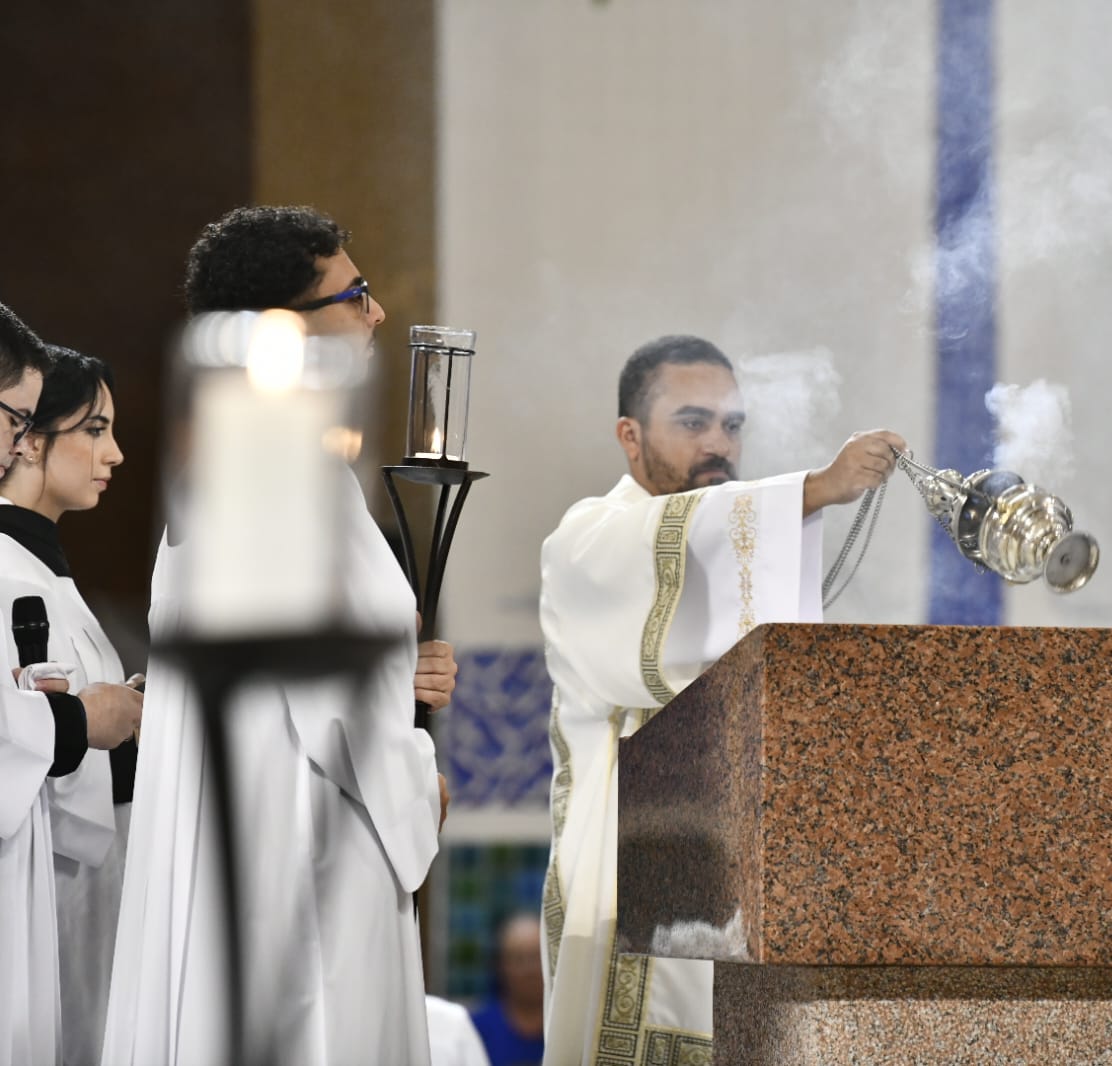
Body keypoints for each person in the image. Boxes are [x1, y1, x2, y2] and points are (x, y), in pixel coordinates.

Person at [101, 205, 458, 1064]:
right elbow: (328, 706)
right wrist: (419, 784)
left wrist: (396, 666)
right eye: (355, 295)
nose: (377, 314)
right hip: (297, 844)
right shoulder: (277, 471)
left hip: (271, 822)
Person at [539, 334, 902, 1063]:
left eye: (732, 424)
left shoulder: (742, 549)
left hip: (738, 891)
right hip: (622, 888)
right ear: (630, 436)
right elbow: (676, 548)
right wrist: (812, 489)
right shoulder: (585, 541)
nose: (718, 443)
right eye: (692, 422)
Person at [0, 307, 143, 1065]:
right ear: (29, 438)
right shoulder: (6, 573)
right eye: (94, 429)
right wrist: (98, 725)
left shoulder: (41, 570)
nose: (114, 453)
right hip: (38, 886)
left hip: (70, 891)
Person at [470, 912, 545, 1066]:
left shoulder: (571, 1032)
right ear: (501, 965)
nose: (530, 970)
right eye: (519, 959)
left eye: (537, 957)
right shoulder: (475, 1031)